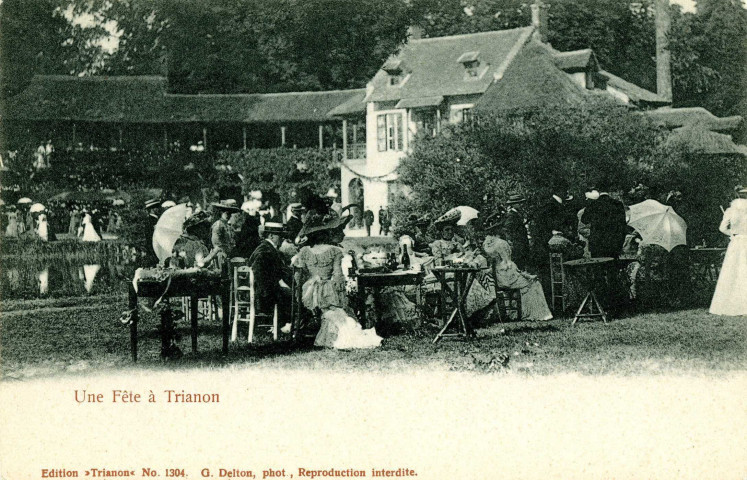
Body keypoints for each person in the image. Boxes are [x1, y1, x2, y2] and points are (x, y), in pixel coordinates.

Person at [293, 213, 382, 349]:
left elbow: (299, 275)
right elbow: (338, 275)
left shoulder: (304, 251)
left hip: (310, 289)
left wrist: (301, 287)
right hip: (328, 287)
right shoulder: (335, 251)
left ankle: (339, 330)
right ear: (326, 234)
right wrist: (341, 293)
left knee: (331, 311)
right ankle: (345, 329)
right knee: (338, 309)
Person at [483, 233, 553, 321]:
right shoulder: (507, 264)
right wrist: (528, 277)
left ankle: (520, 312)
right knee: (535, 284)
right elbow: (516, 276)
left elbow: (517, 273)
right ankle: (535, 313)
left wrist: (526, 276)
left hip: (503, 281)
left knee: (530, 281)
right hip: (507, 281)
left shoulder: (497, 262)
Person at [709, 187, 747, 316]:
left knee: (733, 271)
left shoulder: (731, 210)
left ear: (737, 195)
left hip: (736, 242)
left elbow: (722, 228)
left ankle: (730, 304)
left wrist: (732, 234)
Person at [247, 221, 293, 324]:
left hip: (264, 288)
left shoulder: (267, 248)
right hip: (263, 292)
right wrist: (278, 285)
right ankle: (287, 325)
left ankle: (286, 324)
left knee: (290, 291)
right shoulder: (265, 250)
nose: (283, 239)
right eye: (280, 236)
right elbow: (258, 273)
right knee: (292, 295)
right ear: (271, 236)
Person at [581, 186, 627, 259]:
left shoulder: (593, 204)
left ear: (598, 191)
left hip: (597, 243)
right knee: (613, 267)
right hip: (614, 243)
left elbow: (584, 220)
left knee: (598, 266)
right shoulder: (618, 204)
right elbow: (623, 226)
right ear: (609, 191)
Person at [500, 193, 531, 271]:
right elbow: (507, 229)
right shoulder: (511, 216)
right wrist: (512, 241)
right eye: (519, 203)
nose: (521, 205)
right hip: (517, 247)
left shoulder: (517, 214)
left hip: (521, 246)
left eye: (521, 203)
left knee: (521, 267)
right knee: (518, 268)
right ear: (513, 204)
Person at [210, 200, 240, 272]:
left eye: (230, 214)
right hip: (220, 255)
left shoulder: (228, 226)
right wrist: (223, 253)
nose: (229, 216)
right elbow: (216, 243)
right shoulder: (218, 225)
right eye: (227, 213)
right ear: (221, 212)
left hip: (229, 255)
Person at [143, 198, 161, 266]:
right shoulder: (151, 221)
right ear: (152, 209)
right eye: (156, 208)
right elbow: (150, 237)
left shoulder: (154, 220)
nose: (158, 209)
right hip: (153, 250)